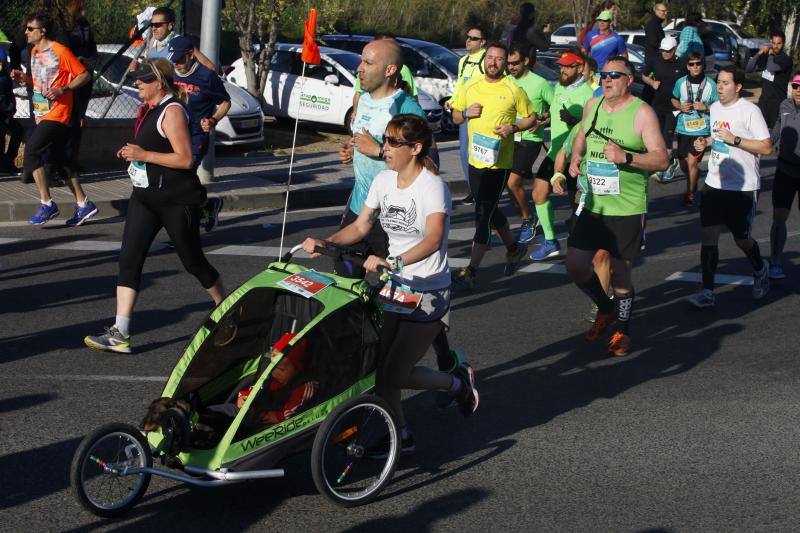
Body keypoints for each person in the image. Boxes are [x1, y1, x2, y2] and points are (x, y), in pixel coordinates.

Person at [302, 114, 479, 454]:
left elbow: (433, 238)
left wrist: (393, 261)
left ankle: (457, 384)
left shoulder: (432, 186)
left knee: (395, 373)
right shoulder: (384, 180)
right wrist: (327, 243)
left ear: (415, 148)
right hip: (392, 287)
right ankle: (401, 435)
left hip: (427, 290)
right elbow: (361, 225)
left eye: (394, 142)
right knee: (380, 371)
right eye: (386, 140)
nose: (385, 148)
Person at [84, 59, 227, 353]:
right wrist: (133, 154)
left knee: (193, 261)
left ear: (159, 83)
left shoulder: (172, 111)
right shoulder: (150, 109)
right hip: (145, 198)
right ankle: (120, 332)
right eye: (136, 78)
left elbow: (185, 159)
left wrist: (144, 154)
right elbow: (150, 152)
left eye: (142, 79)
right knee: (129, 259)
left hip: (176, 200)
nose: (136, 83)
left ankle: (225, 307)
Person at [567, 56, 669, 356]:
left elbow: (661, 159)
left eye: (614, 75)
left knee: (621, 274)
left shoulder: (642, 113)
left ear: (629, 80)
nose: (607, 80)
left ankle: (623, 329)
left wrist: (627, 157)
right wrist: (575, 157)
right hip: (594, 203)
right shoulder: (593, 106)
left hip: (626, 206)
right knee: (575, 265)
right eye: (603, 75)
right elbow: (581, 137)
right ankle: (605, 307)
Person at [338, 38, 427, 280]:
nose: (359, 68)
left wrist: (378, 151)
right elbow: (361, 142)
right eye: (360, 61)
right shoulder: (364, 99)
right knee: (344, 278)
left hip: (392, 218)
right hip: (359, 206)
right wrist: (351, 150)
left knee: (395, 285)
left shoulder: (407, 109)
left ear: (389, 70)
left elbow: (429, 165)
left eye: (368, 62)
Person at [450, 41, 538, 286]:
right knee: (485, 206)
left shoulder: (513, 89)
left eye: (499, 59)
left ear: (504, 63)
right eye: (490, 57)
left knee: (483, 214)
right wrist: (466, 113)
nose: (493, 62)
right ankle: (513, 247)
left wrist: (513, 127)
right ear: (484, 59)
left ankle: (471, 270)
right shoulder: (471, 85)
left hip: (499, 163)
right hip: (474, 160)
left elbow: (531, 118)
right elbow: (455, 115)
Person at [687, 66, 772, 309]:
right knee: (708, 237)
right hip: (715, 184)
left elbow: (766, 148)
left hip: (743, 187)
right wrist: (707, 141)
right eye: (719, 82)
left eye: (725, 83)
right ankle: (707, 291)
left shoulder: (750, 111)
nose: (720, 87)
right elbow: (719, 136)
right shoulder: (714, 108)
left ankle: (760, 267)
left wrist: (734, 139)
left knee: (741, 240)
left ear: (738, 87)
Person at [9, 13, 96, 226]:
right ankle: (84, 204)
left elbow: (84, 75)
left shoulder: (60, 51)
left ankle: (47, 204)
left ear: (42, 31)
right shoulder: (34, 51)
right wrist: (25, 78)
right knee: (62, 161)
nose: (26, 32)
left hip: (59, 113)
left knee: (31, 150)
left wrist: (63, 90)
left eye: (30, 28)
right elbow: (40, 82)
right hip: (42, 113)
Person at [530, 51, 594, 261]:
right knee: (539, 193)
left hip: (576, 157)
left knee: (577, 208)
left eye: (567, 66)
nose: (563, 70)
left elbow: (592, 126)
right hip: (555, 152)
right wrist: (543, 120)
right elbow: (555, 113)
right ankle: (550, 241)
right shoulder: (559, 86)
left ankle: (584, 250)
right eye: (561, 66)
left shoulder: (588, 94)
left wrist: (575, 120)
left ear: (579, 67)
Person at [168, 35, 229, 231]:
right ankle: (207, 205)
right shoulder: (171, 73)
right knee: (180, 180)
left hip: (196, 136)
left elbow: (226, 102)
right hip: (175, 132)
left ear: (190, 55)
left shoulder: (206, 76)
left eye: (180, 59)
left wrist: (213, 120)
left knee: (182, 177)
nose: (176, 64)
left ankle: (184, 228)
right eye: (173, 60)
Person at [507, 45, 552, 243]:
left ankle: (528, 220)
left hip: (530, 140)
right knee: (507, 185)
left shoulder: (540, 83)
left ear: (525, 61)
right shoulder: (506, 81)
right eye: (508, 64)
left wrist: (543, 120)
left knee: (512, 182)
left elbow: (556, 108)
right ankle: (526, 217)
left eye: (515, 63)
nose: (511, 68)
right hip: (508, 138)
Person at [61, 0, 97, 201]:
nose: (85, 9)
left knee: (77, 123)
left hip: (82, 79)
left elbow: (93, 51)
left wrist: (86, 62)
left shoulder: (85, 26)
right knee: (62, 125)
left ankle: (71, 162)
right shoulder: (64, 26)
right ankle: (59, 167)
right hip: (67, 79)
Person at [445, 26, 487, 205]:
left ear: (483, 42)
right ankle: (474, 189)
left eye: (474, 38)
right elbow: (460, 85)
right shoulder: (463, 61)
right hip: (464, 113)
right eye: (467, 37)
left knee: (481, 154)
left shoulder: (487, 59)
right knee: (464, 153)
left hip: (481, 114)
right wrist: (452, 101)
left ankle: (484, 190)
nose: (468, 40)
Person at [671, 51, 718, 206]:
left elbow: (718, 107)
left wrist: (705, 107)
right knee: (683, 164)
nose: (695, 67)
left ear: (702, 65)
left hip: (702, 131)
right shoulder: (680, 82)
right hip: (683, 129)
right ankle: (693, 178)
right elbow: (673, 98)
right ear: (687, 66)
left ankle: (690, 193)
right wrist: (680, 106)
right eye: (692, 64)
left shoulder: (711, 84)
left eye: (698, 63)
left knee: (692, 162)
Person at [767, 72, 800, 280]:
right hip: (785, 170)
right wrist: (764, 144)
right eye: (796, 86)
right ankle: (775, 261)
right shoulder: (785, 106)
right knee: (779, 218)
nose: (798, 91)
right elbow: (775, 131)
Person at [642, 36, 685, 182]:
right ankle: (666, 162)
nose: (665, 54)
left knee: (667, 137)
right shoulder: (656, 60)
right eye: (663, 51)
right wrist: (652, 82)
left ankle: (666, 167)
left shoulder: (682, 64)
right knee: (656, 137)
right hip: (657, 104)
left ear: (674, 49)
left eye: (668, 51)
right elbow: (643, 75)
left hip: (673, 107)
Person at [746, 31, 794, 129]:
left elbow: (771, 68)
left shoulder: (786, 60)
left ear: (783, 44)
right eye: (774, 43)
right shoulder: (767, 57)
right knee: (760, 131)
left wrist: (770, 55)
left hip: (777, 103)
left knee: (774, 134)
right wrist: (759, 53)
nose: (776, 46)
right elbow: (748, 69)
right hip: (764, 102)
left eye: (779, 43)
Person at [143, 7, 215, 71]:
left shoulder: (182, 42)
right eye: (152, 25)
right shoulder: (153, 40)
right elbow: (149, 65)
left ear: (170, 26)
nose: (153, 28)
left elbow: (210, 67)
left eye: (157, 25)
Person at [0, 47, 23, 175]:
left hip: (5, 115)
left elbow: (10, 96)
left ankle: (8, 161)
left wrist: (10, 111)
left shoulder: (5, 78)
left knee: (18, 129)